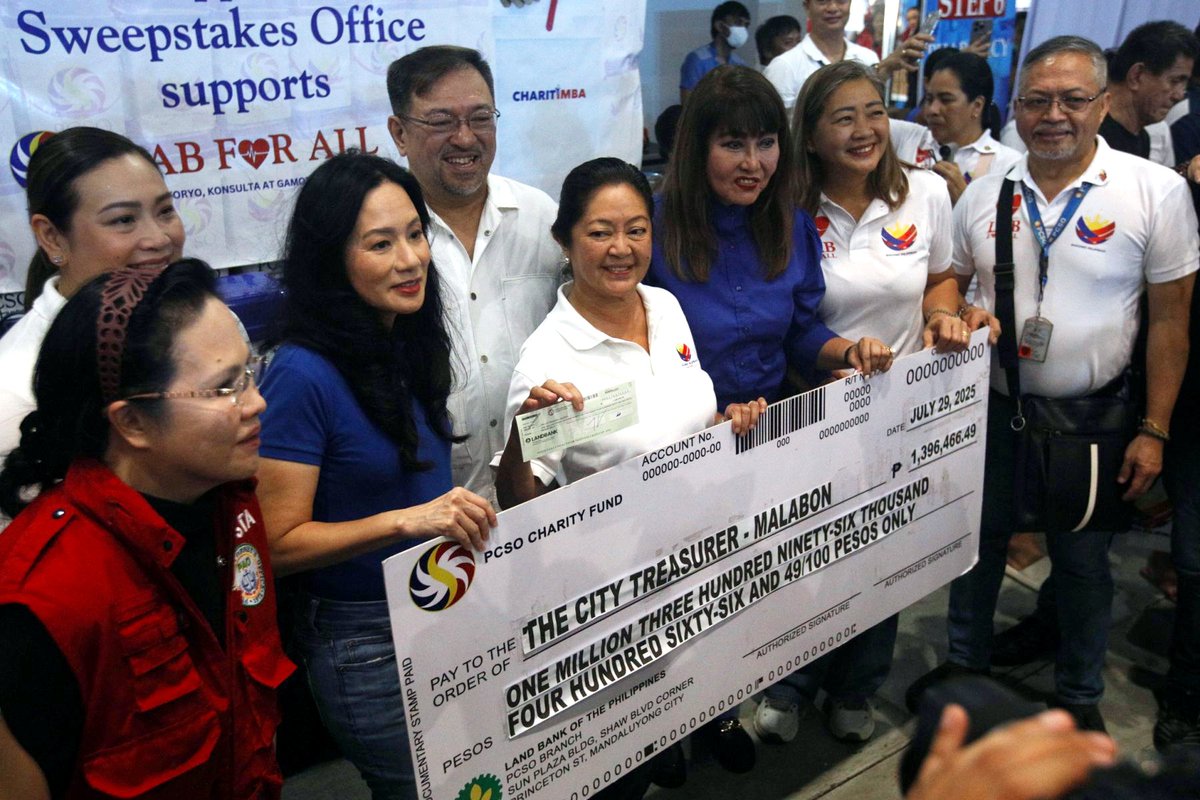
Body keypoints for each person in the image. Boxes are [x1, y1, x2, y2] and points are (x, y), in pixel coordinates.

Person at [907, 35, 1199, 733]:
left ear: (1103, 103)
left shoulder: (1151, 192)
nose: (1054, 115)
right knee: (974, 552)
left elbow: (1171, 322)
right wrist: (947, 313)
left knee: (1082, 564)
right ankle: (965, 672)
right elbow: (946, 275)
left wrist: (1154, 431)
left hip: (1095, 420)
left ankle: (1079, 697)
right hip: (993, 411)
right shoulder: (985, 192)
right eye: (1037, 100)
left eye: (1073, 99)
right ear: (1016, 108)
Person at [494, 157, 766, 793]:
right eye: (599, 232)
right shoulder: (548, 359)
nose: (621, 249)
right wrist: (520, 437)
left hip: (701, 547)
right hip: (618, 587)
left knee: (704, 666)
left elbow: (683, 414)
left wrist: (730, 421)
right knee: (625, 755)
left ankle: (705, 721)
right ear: (565, 241)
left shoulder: (665, 306)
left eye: (636, 229)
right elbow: (517, 504)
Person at [749, 60, 985, 746]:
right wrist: (842, 352)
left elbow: (942, 278)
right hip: (815, 409)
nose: (864, 130)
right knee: (810, 555)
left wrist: (945, 317)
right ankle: (791, 682)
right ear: (812, 136)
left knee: (884, 552)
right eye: (843, 118)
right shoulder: (786, 209)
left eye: (874, 112)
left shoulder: (925, 196)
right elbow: (787, 319)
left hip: (903, 411)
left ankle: (857, 686)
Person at [0, 259, 292, 799]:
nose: (256, 403)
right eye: (225, 388)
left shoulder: (236, 511)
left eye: (250, 373)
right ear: (131, 422)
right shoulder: (42, 599)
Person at [255, 152, 496, 800]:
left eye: (415, 234)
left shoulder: (405, 339)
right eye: (380, 244)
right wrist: (405, 523)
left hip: (442, 602)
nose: (411, 259)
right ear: (332, 258)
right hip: (364, 640)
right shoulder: (300, 374)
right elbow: (274, 544)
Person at [648, 65, 894, 416]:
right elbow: (630, 357)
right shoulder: (651, 231)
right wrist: (702, 418)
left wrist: (848, 352)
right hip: (680, 438)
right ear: (697, 149)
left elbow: (799, 332)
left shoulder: (791, 226)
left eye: (766, 143)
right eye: (733, 145)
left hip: (773, 425)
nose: (753, 163)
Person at [386, 46, 562, 504]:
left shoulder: (541, 217)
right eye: (441, 122)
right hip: (430, 510)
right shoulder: (383, 242)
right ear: (399, 133)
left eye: (480, 118)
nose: (465, 138)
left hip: (541, 496)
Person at [0, 127, 185, 461]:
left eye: (165, 211)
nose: (158, 239)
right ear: (52, 237)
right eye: (124, 219)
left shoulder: (206, 321)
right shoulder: (14, 383)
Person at [764, 0, 934, 112]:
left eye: (841, 0)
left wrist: (885, 69)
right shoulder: (784, 66)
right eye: (823, 1)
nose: (832, 8)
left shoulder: (867, 58)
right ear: (807, 6)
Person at [924, 51, 1023, 205]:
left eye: (946, 100)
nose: (933, 109)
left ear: (977, 106)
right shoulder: (915, 140)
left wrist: (965, 203)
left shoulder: (1009, 164)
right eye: (929, 99)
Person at [1100, 21, 1198, 162]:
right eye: (1174, 81)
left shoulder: (1144, 139)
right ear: (1137, 75)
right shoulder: (1086, 133)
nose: (1179, 95)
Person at [680, 2, 751, 104]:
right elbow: (687, 104)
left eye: (746, 25)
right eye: (738, 23)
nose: (743, 29)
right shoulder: (697, 60)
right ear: (720, 26)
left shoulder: (740, 64)